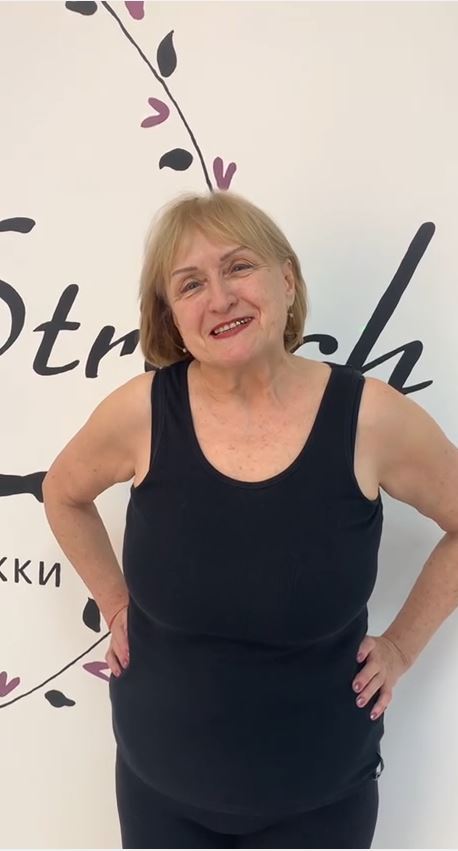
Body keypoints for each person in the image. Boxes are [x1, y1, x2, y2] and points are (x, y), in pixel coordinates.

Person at [42, 190, 458, 849]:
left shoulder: (371, 419)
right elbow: (62, 494)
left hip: (322, 803)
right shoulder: (140, 413)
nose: (220, 298)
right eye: (191, 284)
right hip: (159, 798)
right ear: (171, 316)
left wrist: (402, 647)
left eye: (238, 266)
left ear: (286, 281)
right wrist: (115, 601)